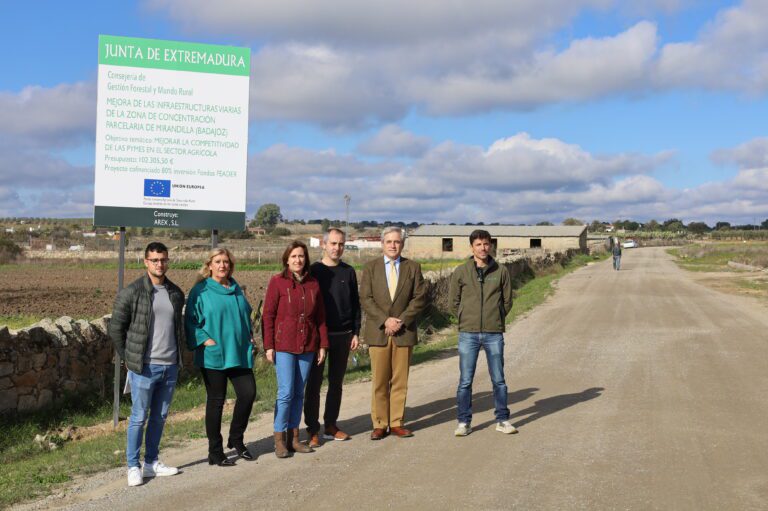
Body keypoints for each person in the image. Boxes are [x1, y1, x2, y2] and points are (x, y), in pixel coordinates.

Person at [108, 242, 185, 487]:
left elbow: (176, 328)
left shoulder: (175, 292)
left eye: (162, 259)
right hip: (144, 367)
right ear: (145, 262)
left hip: (169, 365)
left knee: (160, 417)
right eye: (154, 260)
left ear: (167, 261)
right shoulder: (131, 292)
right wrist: (130, 359)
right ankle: (133, 466)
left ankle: (151, 462)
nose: (159, 264)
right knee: (138, 417)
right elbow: (116, 329)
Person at [185, 248, 256, 467]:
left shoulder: (236, 289)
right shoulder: (201, 290)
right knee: (216, 402)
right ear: (209, 265)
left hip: (238, 351)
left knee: (248, 393)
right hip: (214, 354)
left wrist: (250, 336)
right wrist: (205, 340)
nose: (222, 265)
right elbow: (190, 321)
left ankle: (236, 437)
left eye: (226, 261)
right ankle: (215, 451)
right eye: (218, 261)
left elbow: (245, 316)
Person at [360, 226, 427, 440]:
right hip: (379, 332)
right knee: (379, 380)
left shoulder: (413, 268)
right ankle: (379, 423)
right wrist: (385, 320)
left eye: (397, 242)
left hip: (403, 332)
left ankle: (397, 422)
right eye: (389, 241)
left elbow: (419, 298)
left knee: (400, 380)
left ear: (402, 244)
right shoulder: (370, 268)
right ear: (382, 244)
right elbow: (366, 299)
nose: (393, 245)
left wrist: (401, 321)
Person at [263, 241, 328, 458]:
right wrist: (269, 345)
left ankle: (294, 438)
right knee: (286, 392)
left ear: (305, 259)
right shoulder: (277, 282)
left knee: (299, 393)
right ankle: (279, 439)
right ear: (286, 259)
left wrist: (322, 345)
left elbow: (320, 318)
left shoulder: (313, 284)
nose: (298, 260)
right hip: (284, 345)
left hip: (308, 345)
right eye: (293, 256)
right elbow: (268, 316)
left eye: (301, 256)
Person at [448, 230, 517, 437]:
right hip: (468, 333)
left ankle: (503, 420)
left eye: (486, 244)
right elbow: (453, 302)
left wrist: (495, 317)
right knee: (465, 381)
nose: (483, 248)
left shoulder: (501, 271)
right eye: (478, 244)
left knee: (498, 379)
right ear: (472, 247)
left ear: (491, 246)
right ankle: (463, 421)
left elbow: (507, 300)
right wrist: (464, 317)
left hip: (493, 333)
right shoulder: (461, 271)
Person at [304, 228, 361, 447]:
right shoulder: (314, 271)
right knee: (314, 385)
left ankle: (330, 425)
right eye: (333, 244)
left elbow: (356, 304)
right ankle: (312, 430)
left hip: (343, 336)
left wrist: (356, 331)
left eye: (341, 244)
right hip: (319, 338)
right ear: (324, 245)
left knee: (336, 384)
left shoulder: (349, 271)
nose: (337, 248)